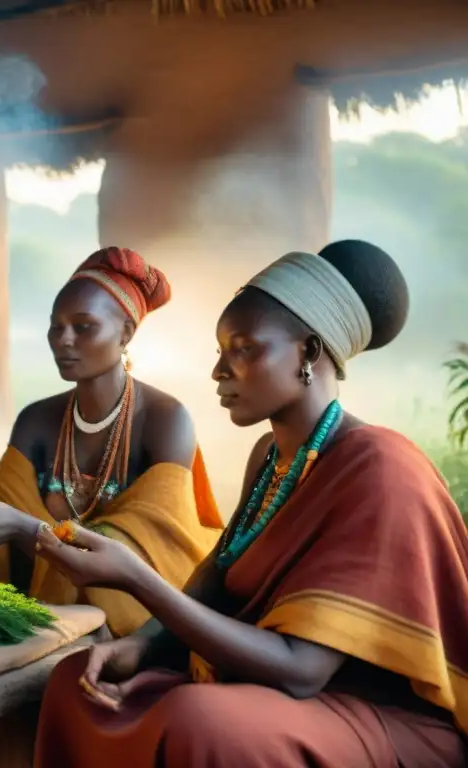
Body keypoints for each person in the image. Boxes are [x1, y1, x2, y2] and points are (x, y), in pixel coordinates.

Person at [32, 240, 468, 767]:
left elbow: (301, 671)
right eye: (220, 351)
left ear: (308, 352)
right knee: (73, 681)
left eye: (244, 348)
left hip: (370, 712)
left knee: (201, 719)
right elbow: (217, 577)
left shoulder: (380, 466)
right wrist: (143, 646)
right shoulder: (270, 456)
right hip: (270, 688)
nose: (220, 370)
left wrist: (135, 578)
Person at [0, 247, 223, 638]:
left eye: (82, 326)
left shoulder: (166, 419)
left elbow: (147, 549)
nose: (63, 340)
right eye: (56, 327)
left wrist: (28, 529)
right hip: (42, 606)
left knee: (115, 544)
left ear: (126, 333)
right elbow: (3, 505)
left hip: (138, 613)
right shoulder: (37, 420)